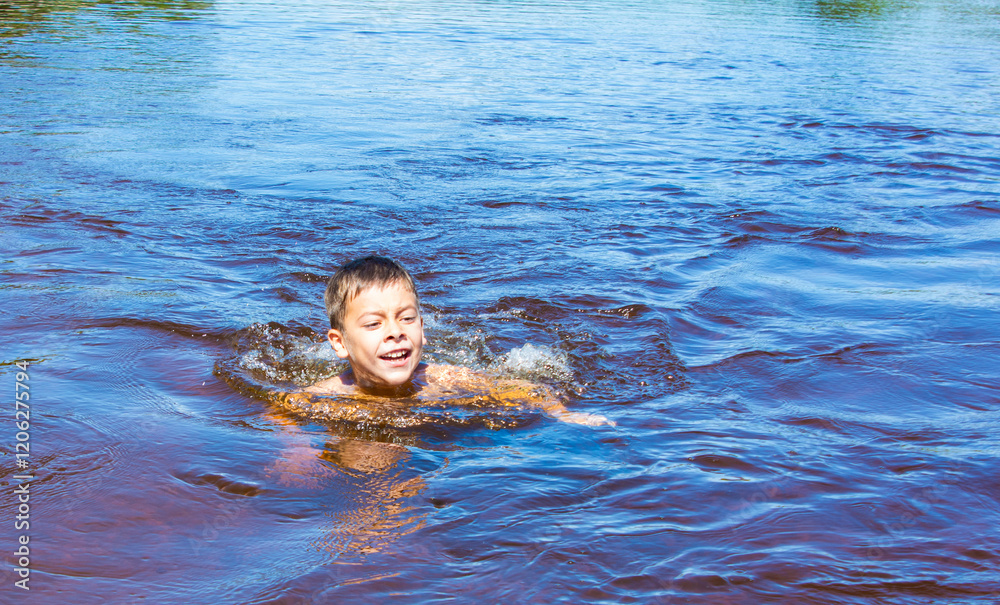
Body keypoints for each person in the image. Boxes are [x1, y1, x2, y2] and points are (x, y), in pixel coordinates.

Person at [304, 255, 612, 427]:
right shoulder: (324, 395)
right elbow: (283, 417)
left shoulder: (441, 379)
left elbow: (524, 390)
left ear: (422, 328)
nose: (395, 332)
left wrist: (563, 414)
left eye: (407, 319)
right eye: (374, 324)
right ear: (340, 343)